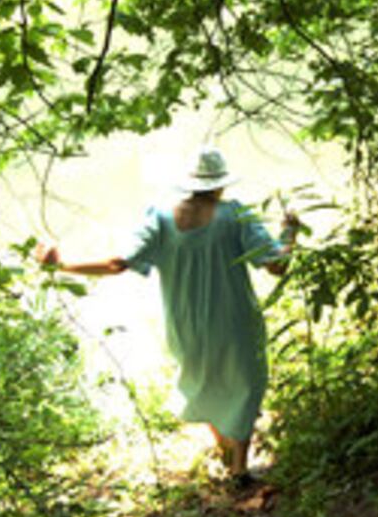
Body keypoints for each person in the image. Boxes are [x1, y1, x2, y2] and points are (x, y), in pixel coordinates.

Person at [34, 146, 300, 485]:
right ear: (221, 184)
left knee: (205, 382)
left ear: (189, 183)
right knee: (245, 384)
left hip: (185, 324)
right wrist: (290, 232)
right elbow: (276, 265)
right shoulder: (234, 215)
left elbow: (118, 263)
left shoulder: (159, 218)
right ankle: (239, 469)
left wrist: (63, 264)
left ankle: (224, 447)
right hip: (234, 322)